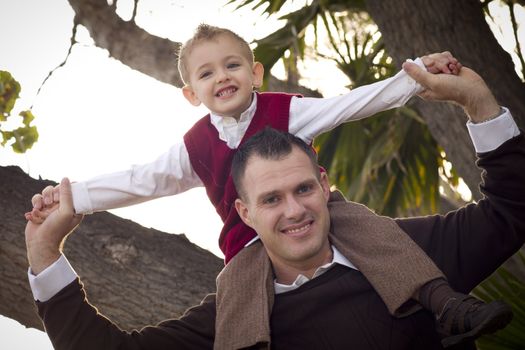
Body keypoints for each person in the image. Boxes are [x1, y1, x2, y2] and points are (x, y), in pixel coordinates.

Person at [26, 24, 479, 342]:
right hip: (247, 245)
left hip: (322, 219)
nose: (222, 77)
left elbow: (354, 104)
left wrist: (417, 74)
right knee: (239, 305)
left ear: (255, 73)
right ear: (191, 94)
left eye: (232, 65)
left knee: (378, 234)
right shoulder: (194, 145)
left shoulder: (288, 111)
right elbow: (141, 181)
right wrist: (72, 198)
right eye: (206, 74)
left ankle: (444, 302)